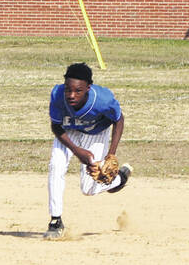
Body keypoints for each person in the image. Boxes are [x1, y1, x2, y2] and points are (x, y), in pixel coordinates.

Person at [44, 63, 132, 239]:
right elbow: (56, 126)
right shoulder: (57, 94)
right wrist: (77, 151)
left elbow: (119, 119)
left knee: (89, 188)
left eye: (78, 91)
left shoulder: (103, 100)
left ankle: (119, 179)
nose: (71, 95)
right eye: (68, 89)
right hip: (68, 132)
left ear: (88, 88)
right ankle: (56, 221)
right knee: (56, 166)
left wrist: (111, 154)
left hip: (96, 131)